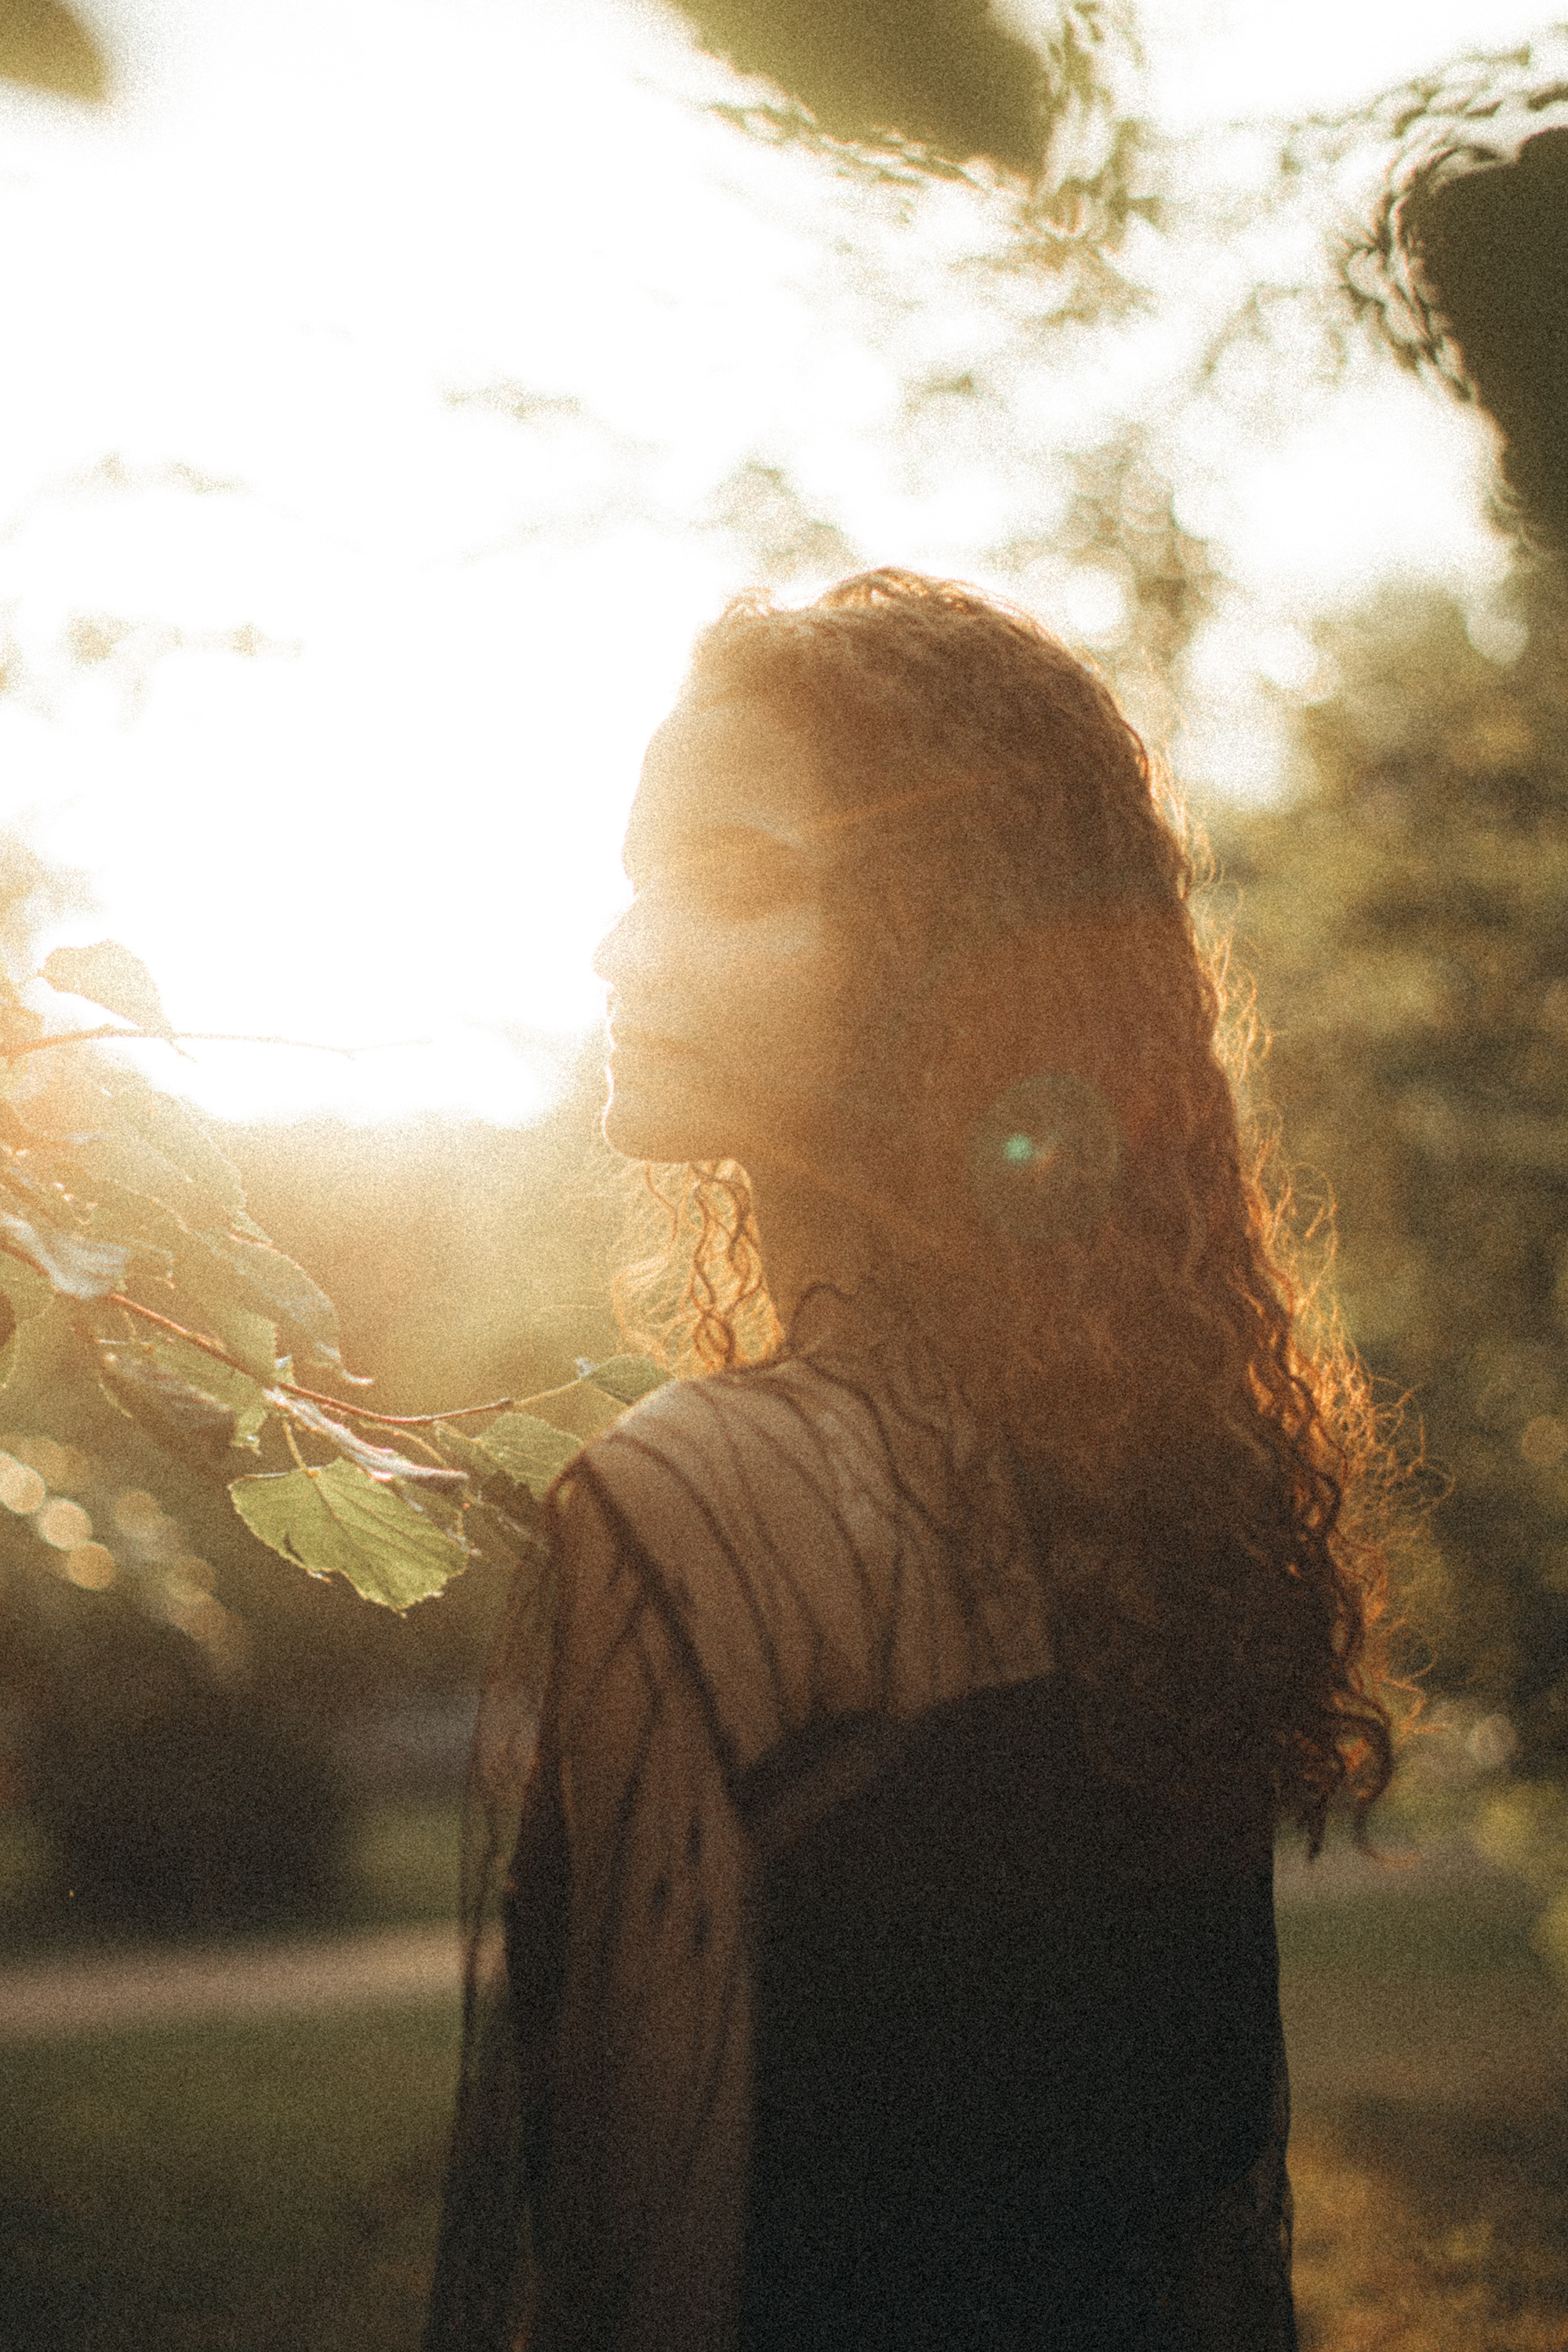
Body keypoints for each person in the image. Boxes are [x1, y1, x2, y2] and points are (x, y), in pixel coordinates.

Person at [423, 569, 1396, 2352]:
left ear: (945, 943)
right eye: (639, 881)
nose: (622, 950)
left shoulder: (695, 1498)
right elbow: (1221, 2232)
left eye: (731, 880)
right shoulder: (1157, 1478)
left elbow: (641, 2282)